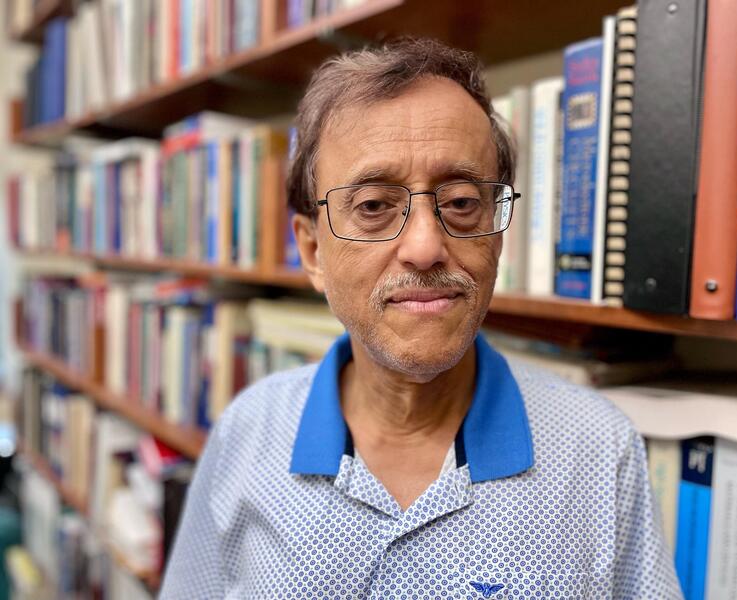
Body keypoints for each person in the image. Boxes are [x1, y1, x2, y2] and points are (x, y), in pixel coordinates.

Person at [160, 37, 681, 599]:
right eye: (374, 207)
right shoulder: (247, 434)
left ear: (499, 234)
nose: (426, 247)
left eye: (461, 202)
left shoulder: (601, 451)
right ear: (312, 251)